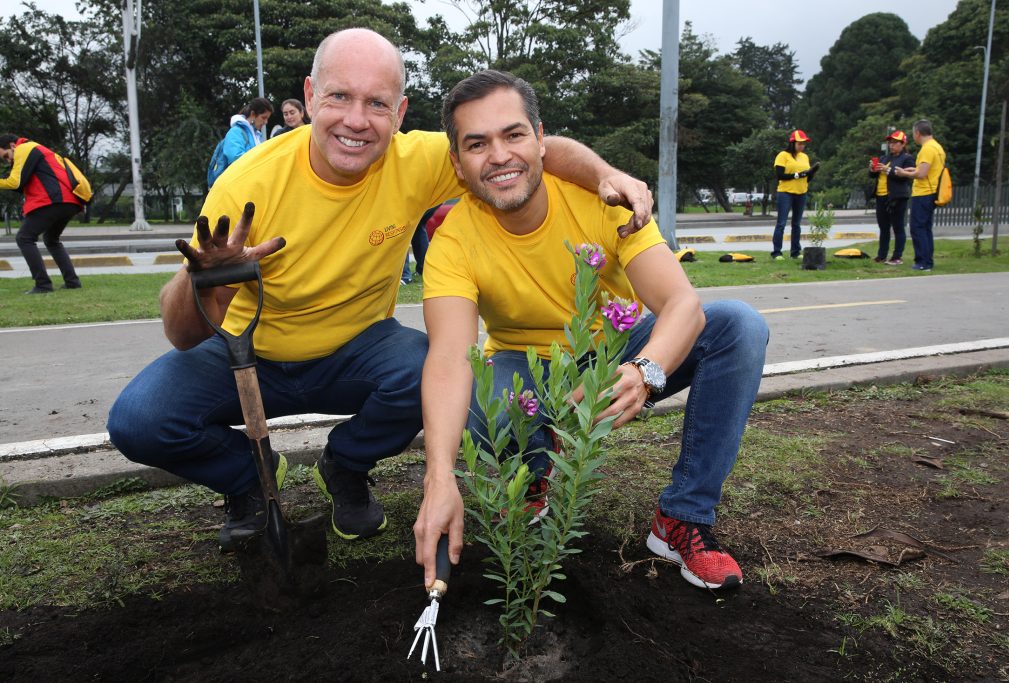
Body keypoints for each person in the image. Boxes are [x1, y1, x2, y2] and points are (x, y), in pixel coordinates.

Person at [106, 30, 653, 554]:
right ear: (309, 95)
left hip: (357, 349)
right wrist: (200, 279)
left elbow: (530, 147)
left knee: (430, 373)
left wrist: (607, 174)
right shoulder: (247, 185)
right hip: (250, 354)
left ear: (400, 113)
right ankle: (249, 476)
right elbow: (181, 335)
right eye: (340, 96)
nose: (356, 121)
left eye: (376, 103)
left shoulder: (414, 161)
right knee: (140, 420)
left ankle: (344, 464)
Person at [413, 70, 768, 592]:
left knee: (739, 325)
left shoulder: (603, 201)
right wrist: (438, 475)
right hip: (525, 369)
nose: (499, 155)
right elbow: (448, 357)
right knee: (467, 408)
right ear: (457, 164)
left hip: (614, 352)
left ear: (541, 139)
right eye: (477, 144)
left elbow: (681, 304)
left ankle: (682, 519)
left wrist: (645, 370)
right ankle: (532, 477)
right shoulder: (452, 241)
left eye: (513, 135)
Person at [0, 134, 84, 294]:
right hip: (69, 201)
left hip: (53, 201)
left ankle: (43, 285)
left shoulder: (24, 148)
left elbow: (14, 182)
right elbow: (21, 184)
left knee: (24, 238)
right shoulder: (35, 150)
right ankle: (72, 282)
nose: (7, 161)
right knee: (51, 239)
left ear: (12, 146)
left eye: (6, 156)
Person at [894, 119, 945, 271]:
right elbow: (925, 170)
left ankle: (922, 262)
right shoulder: (937, 147)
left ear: (917, 133)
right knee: (926, 228)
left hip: (924, 192)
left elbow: (921, 173)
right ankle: (927, 260)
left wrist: (904, 173)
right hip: (932, 190)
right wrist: (911, 170)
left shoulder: (927, 149)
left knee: (918, 228)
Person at [770, 130, 819, 260]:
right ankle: (776, 252)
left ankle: (795, 252)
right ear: (792, 143)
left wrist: (811, 173)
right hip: (786, 192)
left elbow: (806, 178)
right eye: (799, 143)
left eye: (804, 143)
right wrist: (797, 175)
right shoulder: (783, 155)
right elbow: (780, 175)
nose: (802, 146)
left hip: (801, 192)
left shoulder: (804, 157)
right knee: (781, 223)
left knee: (796, 224)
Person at [868, 130, 915, 265]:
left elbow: (906, 176)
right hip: (881, 196)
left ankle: (897, 256)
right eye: (890, 142)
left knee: (898, 227)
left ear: (903, 143)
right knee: (883, 227)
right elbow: (873, 176)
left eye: (895, 142)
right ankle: (881, 255)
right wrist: (872, 169)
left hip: (897, 197)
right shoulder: (885, 158)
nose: (891, 145)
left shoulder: (907, 158)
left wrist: (887, 170)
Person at [401, 199, 455, 284]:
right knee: (418, 226)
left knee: (402, 229)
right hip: (435, 197)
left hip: (423, 197)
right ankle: (424, 270)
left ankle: (404, 276)